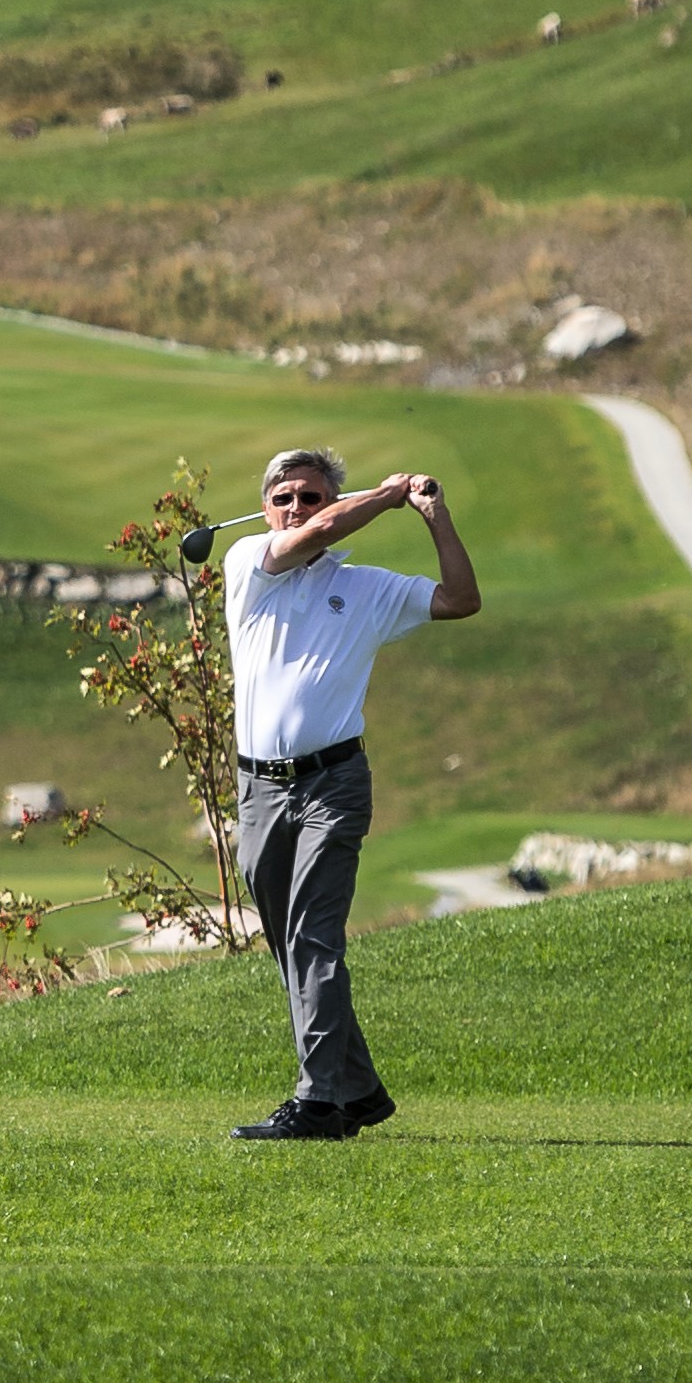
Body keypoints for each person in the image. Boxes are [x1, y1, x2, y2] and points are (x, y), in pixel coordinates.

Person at [224, 446, 481, 1143]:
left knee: (313, 935)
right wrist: (387, 495)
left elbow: (461, 599)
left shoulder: (365, 589)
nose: (297, 509)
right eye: (284, 497)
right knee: (289, 943)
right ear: (266, 509)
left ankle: (318, 1103)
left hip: (332, 783)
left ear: (331, 499)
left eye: (311, 496)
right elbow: (316, 535)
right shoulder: (248, 563)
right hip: (258, 788)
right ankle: (359, 1090)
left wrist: (433, 516)